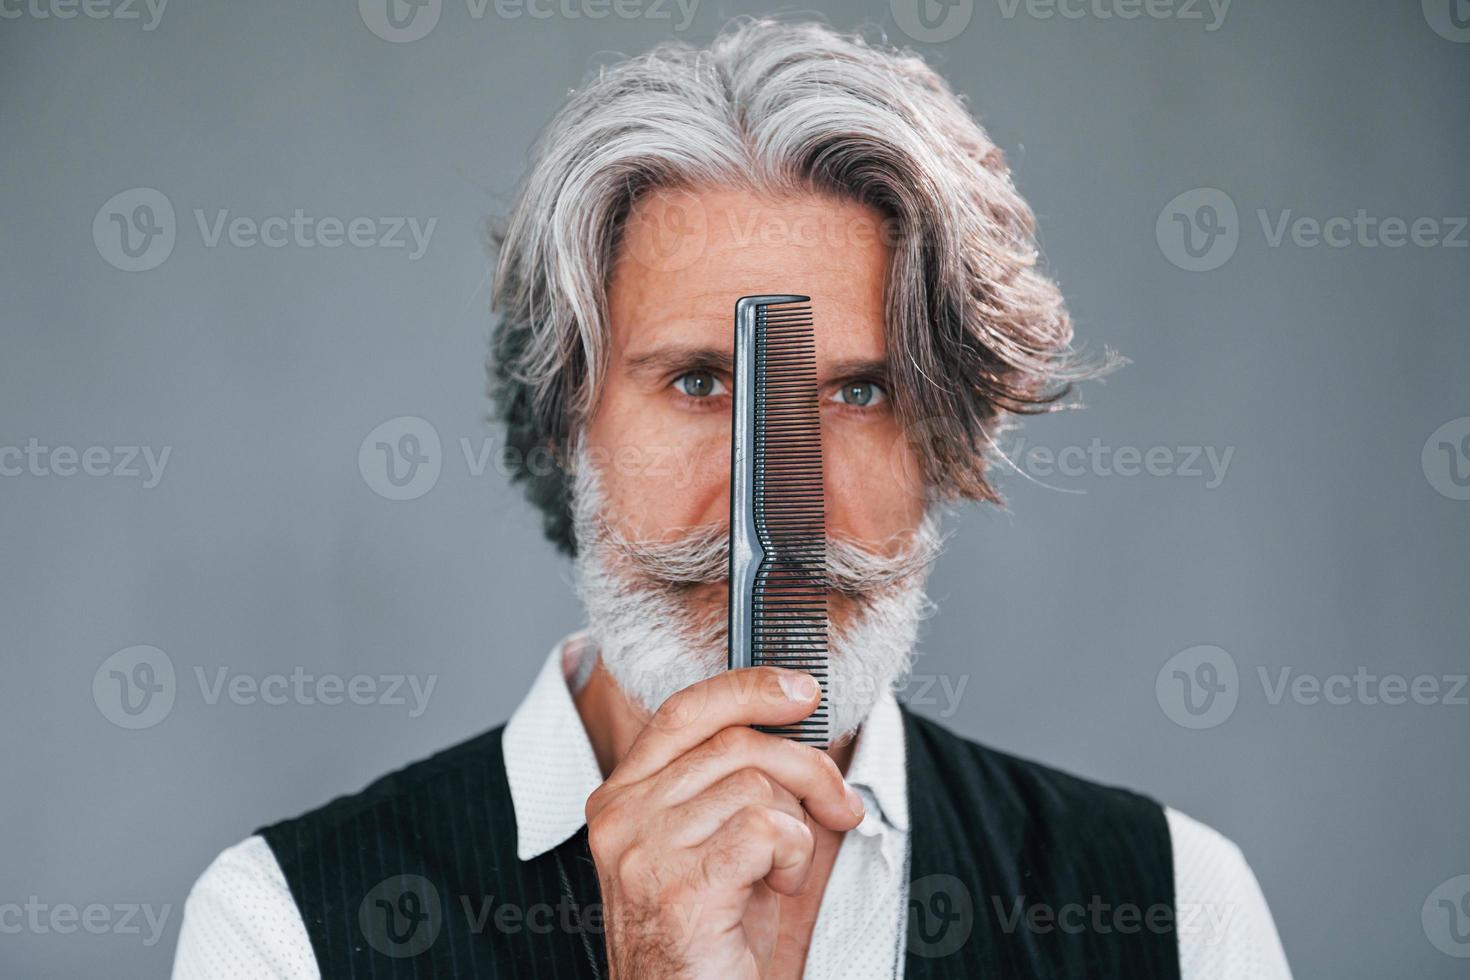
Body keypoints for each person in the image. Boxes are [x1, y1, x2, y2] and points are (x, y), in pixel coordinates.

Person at [173, 18, 1291, 979]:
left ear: (946, 434)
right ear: (567, 417)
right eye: (700, 381)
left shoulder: (1179, 911)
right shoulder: (288, 930)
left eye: (861, 390)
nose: (774, 510)